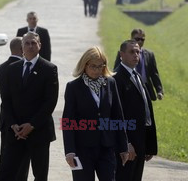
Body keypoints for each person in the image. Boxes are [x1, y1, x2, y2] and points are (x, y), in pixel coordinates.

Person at [0, 32, 58, 181]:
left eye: (33, 43)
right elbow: (6, 101)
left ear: (39, 46)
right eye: (27, 43)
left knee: (40, 175)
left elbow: (50, 102)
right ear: (21, 46)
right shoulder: (12, 69)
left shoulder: (49, 69)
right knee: (7, 172)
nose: (30, 46)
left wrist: (32, 125)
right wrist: (13, 124)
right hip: (16, 132)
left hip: (39, 132)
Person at [62, 46, 129, 181]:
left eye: (100, 66)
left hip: (106, 147)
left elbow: (117, 115)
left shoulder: (110, 83)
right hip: (82, 149)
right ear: (84, 65)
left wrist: (123, 146)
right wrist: (69, 151)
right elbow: (68, 121)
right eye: (93, 66)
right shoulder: (73, 87)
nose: (97, 70)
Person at [113, 40, 157, 181]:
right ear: (122, 54)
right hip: (128, 145)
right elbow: (116, 115)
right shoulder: (116, 79)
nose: (136, 55)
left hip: (140, 141)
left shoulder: (137, 76)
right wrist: (125, 143)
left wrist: (149, 145)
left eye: (138, 52)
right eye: (132, 52)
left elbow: (146, 112)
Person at [113, 29, 164, 101]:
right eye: (137, 39)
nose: (140, 41)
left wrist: (159, 90)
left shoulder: (149, 54)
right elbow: (116, 70)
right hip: (129, 86)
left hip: (145, 87)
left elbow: (154, 74)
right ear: (131, 39)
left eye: (142, 39)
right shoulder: (123, 53)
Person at [0, 37, 23, 173]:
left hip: (5, 120)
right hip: (20, 122)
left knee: (4, 158)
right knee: (21, 163)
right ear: (22, 49)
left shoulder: (0, 68)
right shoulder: (22, 68)